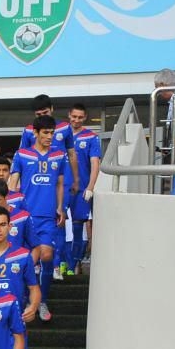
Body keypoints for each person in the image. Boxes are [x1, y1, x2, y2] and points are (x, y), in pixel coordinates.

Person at [9, 114, 65, 322]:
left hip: (47, 216)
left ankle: (42, 300)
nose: (50, 136)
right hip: (25, 216)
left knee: (47, 256)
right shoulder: (22, 154)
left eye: (52, 133)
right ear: (35, 133)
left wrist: (60, 207)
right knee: (27, 261)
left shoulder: (58, 155)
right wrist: (10, 209)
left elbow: (60, 183)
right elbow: (13, 183)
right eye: (46, 133)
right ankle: (26, 300)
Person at [0, 205, 39, 324]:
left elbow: (33, 287)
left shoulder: (23, 255)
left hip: (14, 320)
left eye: (2, 225)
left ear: (9, 227)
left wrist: (33, 307)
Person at [65, 103, 101, 276]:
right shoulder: (59, 135)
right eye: (74, 116)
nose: (76, 120)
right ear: (69, 115)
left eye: (80, 117)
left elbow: (95, 163)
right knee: (58, 225)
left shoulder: (91, 137)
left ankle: (73, 265)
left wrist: (91, 187)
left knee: (78, 226)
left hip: (81, 189)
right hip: (62, 188)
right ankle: (60, 264)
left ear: (85, 118)